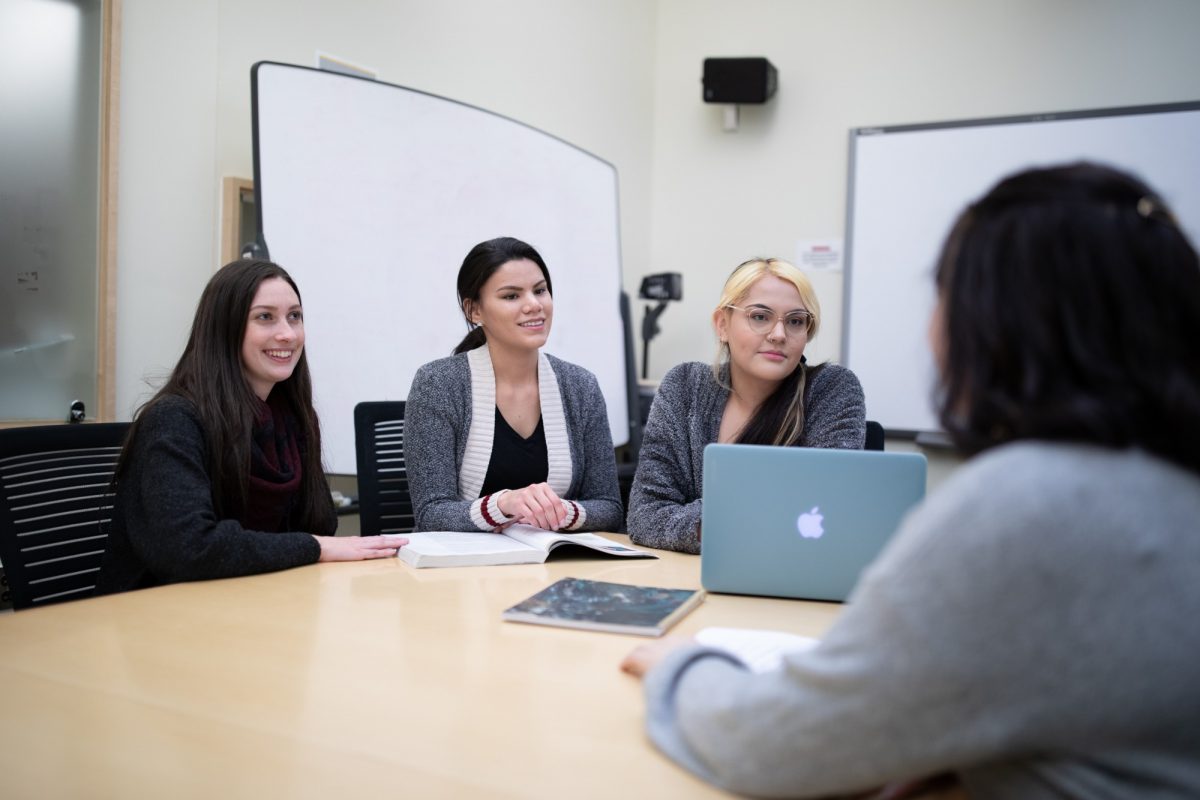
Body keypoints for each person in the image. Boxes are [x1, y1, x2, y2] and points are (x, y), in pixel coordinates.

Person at [620, 163, 1200, 798]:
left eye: (944, 295)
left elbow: (781, 746)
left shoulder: (1020, 507)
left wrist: (685, 667)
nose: (931, 329)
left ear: (996, 325)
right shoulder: (1165, 484)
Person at [96, 260, 404, 595]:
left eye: (295, 316)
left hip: (252, 603)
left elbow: (319, 524)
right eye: (265, 317)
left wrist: (316, 545)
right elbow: (189, 549)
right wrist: (315, 548)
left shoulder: (294, 418)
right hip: (156, 617)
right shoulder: (174, 420)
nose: (287, 333)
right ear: (224, 328)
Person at [627, 257, 865, 553]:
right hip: (689, 578)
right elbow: (644, 516)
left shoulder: (831, 389)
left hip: (789, 579)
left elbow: (828, 509)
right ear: (722, 324)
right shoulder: (685, 386)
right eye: (760, 316)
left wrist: (711, 521)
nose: (779, 334)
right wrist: (760, 512)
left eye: (795, 321)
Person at [404, 237, 623, 532]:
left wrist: (557, 511)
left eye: (540, 290)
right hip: (462, 571)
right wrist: (505, 504)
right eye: (511, 296)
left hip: (553, 562)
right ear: (474, 311)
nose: (534, 305)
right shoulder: (438, 385)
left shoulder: (581, 386)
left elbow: (609, 508)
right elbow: (431, 513)